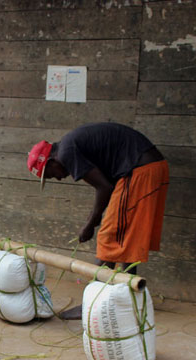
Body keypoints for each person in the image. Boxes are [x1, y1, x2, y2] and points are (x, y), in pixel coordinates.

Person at [28, 122, 169, 319]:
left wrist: (91, 224)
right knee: (128, 235)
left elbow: (105, 188)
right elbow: (108, 185)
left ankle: (92, 302)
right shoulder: (70, 145)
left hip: (140, 170)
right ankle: (130, 295)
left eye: (51, 174)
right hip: (151, 167)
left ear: (52, 161)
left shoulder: (67, 152)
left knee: (108, 235)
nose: (58, 178)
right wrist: (94, 219)